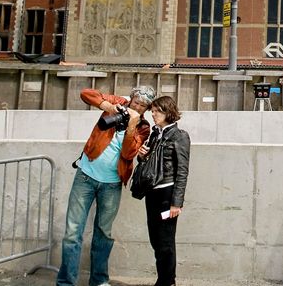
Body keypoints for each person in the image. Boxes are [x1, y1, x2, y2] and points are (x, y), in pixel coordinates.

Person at [57, 86, 154, 286]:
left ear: (146, 109)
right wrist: (109, 107)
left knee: (103, 233)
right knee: (72, 233)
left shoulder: (143, 127)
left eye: (143, 106)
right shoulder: (118, 103)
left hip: (111, 185)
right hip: (85, 176)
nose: (138, 106)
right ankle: (66, 283)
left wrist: (131, 125)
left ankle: (99, 281)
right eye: (136, 102)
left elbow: (128, 154)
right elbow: (85, 93)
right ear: (132, 98)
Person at [136, 95, 190, 286]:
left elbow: (182, 171)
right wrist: (142, 156)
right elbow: (149, 165)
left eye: (157, 110)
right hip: (152, 193)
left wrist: (177, 202)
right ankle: (164, 279)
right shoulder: (154, 134)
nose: (153, 114)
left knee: (165, 241)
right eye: (152, 110)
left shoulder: (179, 136)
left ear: (168, 111)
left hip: (167, 194)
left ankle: (167, 281)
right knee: (155, 239)